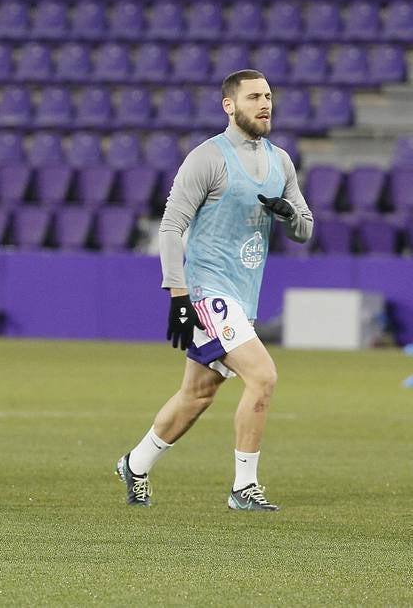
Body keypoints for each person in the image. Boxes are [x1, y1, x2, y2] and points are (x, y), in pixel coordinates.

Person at [116, 69, 313, 512]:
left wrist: (287, 214)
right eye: (253, 98)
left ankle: (136, 463)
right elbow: (171, 227)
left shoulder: (280, 161)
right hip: (208, 290)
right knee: (263, 376)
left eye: (268, 96)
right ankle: (244, 487)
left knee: (198, 394)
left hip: (243, 296)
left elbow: (305, 228)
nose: (265, 104)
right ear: (230, 105)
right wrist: (179, 296)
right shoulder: (208, 158)